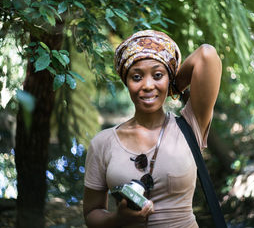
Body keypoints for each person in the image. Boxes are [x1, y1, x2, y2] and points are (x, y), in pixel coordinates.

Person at [83, 30, 222, 227]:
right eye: (137, 77)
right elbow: (91, 213)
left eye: (157, 75)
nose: (148, 85)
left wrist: (171, 88)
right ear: (126, 82)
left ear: (169, 77)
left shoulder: (190, 126)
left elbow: (207, 54)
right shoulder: (103, 143)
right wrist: (118, 219)